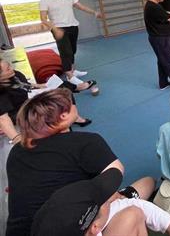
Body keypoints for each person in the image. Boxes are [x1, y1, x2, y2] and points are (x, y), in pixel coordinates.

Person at [6, 88, 125, 236]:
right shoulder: (86, 142)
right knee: (135, 208)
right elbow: (116, 173)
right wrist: (105, 203)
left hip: (18, 231)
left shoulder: (17, 151)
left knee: (139, 187)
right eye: (72, 103)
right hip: (69, 226)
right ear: (64, 115)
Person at [31, 168, 170, 236]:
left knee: (148, 182)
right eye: (106, 200)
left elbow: (131, 203)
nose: (113, 198)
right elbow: (132, 209)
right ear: (95, 228)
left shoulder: (88, 218)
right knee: (132, 215)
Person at [39, 0, 102, 88]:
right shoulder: (45, 0)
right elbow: (43, 19)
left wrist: (94, 12)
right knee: (65, 51)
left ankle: (72, 70)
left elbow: (81, 6)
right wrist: (54, 29)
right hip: (58, 28)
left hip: (73, 26)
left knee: (72, 50)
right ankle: (69, 75)